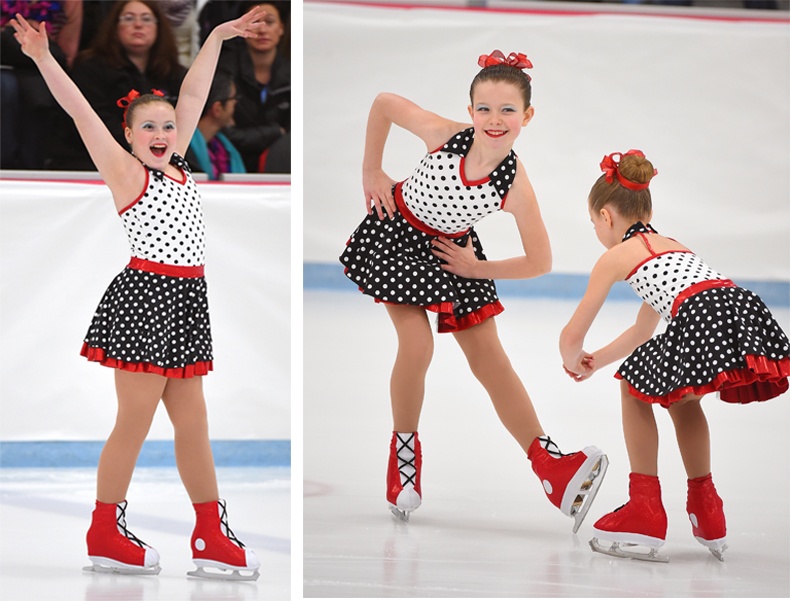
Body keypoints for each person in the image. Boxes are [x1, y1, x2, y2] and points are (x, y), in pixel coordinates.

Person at [9, 6, 268, 580]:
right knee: (135, 420)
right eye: (147, 127)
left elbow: (195, 89)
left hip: (185, 303)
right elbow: (79, 111)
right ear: (128, 135)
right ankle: (104, 529)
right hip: (146, 297)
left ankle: (209, 532)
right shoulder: (129, 174)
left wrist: (220, 34)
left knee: (194, 423)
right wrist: (45, 59)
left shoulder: (179, 166)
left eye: (168, 126)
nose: (160, 134)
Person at [340, 50, 609, 530]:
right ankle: (403, 457)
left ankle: (551, 467)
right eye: (484, 108)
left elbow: (540, 262)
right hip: (395, 237)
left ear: (527, 116)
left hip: (455, 258)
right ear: (470, 112)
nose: (494, 120)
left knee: (492, 361)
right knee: (417, 345)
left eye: (507, 110)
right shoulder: (443, 135)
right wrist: (371, 170)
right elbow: (383, 103)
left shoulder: (514, 185)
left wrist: (476, 267)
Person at [559, 149, 790, 562]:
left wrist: (572, 357)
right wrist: (597, 360)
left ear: (606, 216)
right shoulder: (671, 247)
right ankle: (708, 511)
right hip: (734, 305)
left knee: (633, 391)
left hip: (702, 314)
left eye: (594, 222)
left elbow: (572, 333)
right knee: (683, 401)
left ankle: (644, 510)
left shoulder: (615, 257)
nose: (596, 230)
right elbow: (643, 331)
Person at [47, 0, 187, 170]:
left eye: (146, 19)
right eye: (128, 18)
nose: (138, 25)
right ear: (114, 27)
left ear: (160, 27)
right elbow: (93, 122)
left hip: (156, 162)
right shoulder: (90, 68)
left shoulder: (172, 73)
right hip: (92, 163)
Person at [0, 0, 83, 168]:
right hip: (3, 63)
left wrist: (39, 39)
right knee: (5, 88)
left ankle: (33, 168)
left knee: (40, 96)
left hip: (41, 65)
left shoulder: (71, 3)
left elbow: (67, 53)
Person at [216, 1, 289, 173]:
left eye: (269, 22)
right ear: (242, 29)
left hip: (281, 166)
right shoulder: (224, 69)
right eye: (255, 23)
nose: (262, 30)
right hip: (230, 162)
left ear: (281, 29)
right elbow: (219, 129)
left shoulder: (293, 73)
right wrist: (275, 132)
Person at [186, 70, 246, 180]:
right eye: (233, 99)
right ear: (217, 109)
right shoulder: (182, 150)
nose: (236, 104)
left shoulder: (225, 147)